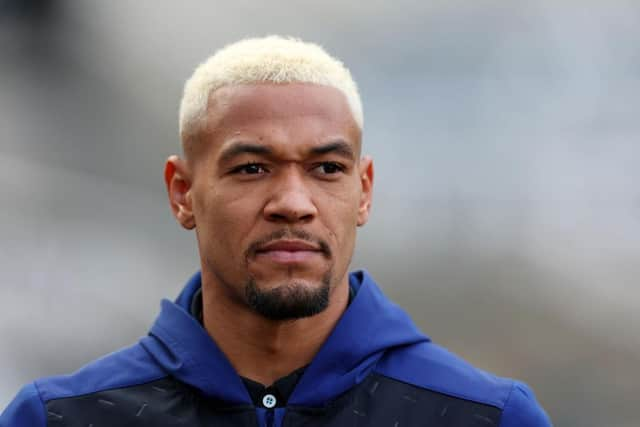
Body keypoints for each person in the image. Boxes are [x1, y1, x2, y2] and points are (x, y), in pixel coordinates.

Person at [1, 35, 552, 427]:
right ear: (182, 192)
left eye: (327, 169)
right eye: (251, 169)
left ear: (363, 192)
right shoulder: (58, 418)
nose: (293, 203)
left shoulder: (487, 416)